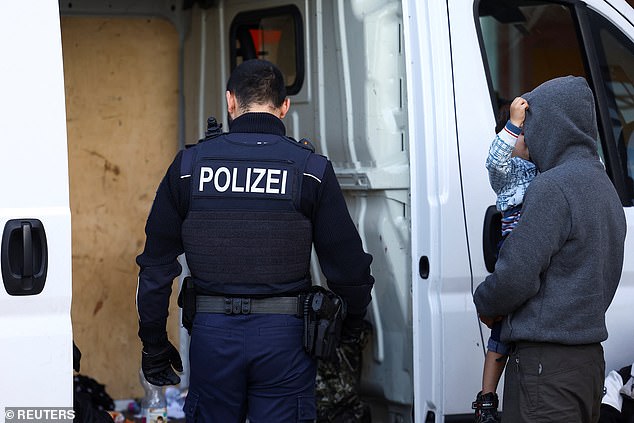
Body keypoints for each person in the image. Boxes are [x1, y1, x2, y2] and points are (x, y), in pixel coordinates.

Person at [135, 59, 375, 422]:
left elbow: (155, 267)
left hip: (212, 338)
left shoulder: (188, 167)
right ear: (284, 107)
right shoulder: (310, 170)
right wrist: (350, 328)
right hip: (286, 343)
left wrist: (153, 344)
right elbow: (350, 271)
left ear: (231, 102)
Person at [473, 75, 627, 423]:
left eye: (532, 124)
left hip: (545, 370)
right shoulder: (605, 189)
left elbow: (516, 275)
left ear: (553, 125)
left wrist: (485, 302)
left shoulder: (552, 188)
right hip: (589, 365)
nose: (527, 134)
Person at [472, 96, 537, 423]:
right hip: (512, 250)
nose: (525, 138)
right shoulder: (509, 171)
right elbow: (494, 160)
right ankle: (486, 399)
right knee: (499, 332)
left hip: (537, 254)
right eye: (519, 134)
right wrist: (513, 124)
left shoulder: (544, 164)